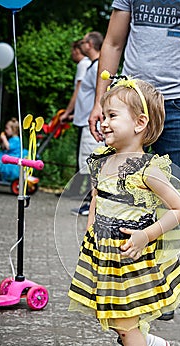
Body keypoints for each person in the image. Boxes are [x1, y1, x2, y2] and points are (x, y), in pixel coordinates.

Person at [88, 0, 180, 319]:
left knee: (169, 201)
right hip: (130, 101)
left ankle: (161, 286)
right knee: (121, 191)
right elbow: (112, 42)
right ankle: (124, 278)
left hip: (178, 106)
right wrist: (101, 101)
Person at [68, 75, 180, 346]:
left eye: (112, 116)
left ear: (139, 123)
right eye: (104, 115)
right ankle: (148, 340)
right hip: (105, 255)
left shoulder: (147, 169)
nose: (104, 122)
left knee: (124, 322)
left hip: (131, 257)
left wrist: (145, 235)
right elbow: (96, 199)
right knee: (109, 313)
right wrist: (89, 234)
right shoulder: (101, 161)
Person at [70, 31, 104, 216]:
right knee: (88, 164)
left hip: (92, 123)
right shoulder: (93, 66)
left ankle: (92, 205)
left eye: (83, 41)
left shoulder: (100, 67)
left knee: (93, 165)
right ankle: (90, 203)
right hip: (85, 120)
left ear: (90, 44)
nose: (81, 45)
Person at [58, 40, 90, 198]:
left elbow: (79, 91)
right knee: (82, 153)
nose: (72, 54)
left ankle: (78, 190)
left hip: (84, 118)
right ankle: (77, 189)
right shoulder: (89, 64)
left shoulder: (83, 65)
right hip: (82, 116)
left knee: (83, 153)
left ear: (78, 50)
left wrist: (67, 112)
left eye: (73, 50)